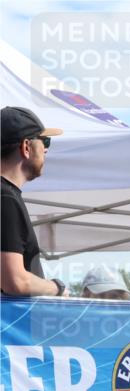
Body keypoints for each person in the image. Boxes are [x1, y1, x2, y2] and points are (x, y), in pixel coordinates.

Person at [1, 106, 66, 297]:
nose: (46, 149)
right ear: (26, 147)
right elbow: (14, 281)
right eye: (44, 141)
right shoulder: (5, 198)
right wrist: (57, 288)